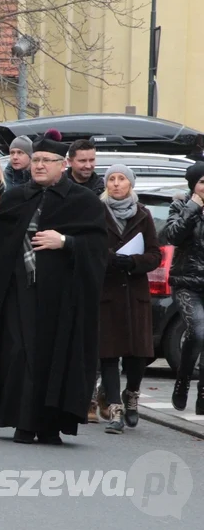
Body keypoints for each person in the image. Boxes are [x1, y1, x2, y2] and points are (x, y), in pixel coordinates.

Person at [0, 130, 107, 444]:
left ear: (61, 165)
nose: (38, 166)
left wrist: (65, 241)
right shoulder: (14, 198)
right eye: (35, 160)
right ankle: (22, 421)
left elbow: (97, 249)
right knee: (18, 354)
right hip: (17, 293)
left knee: (54, 358)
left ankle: (50, 425)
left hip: (61, 300)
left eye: (45, 161)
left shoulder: (84, 202)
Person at [95, 165, 161, 434]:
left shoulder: (143, 215)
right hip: (108, 292)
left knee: (137, 354)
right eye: (111, 179)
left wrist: (132, 261)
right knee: (109, 355)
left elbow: (155, 254)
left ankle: (131, 394)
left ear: (130, 184)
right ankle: (114, 409)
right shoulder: (97, 213)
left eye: (122, 179)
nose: (116, 183)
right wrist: (111, 259)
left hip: (135, 293)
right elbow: (91, 247)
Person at [165, 162, 204, 415]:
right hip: (187, 282)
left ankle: (203, 393)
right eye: (202, 182)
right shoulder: (180, 205)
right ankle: (182, 381)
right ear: (193, 185)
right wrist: (193, 208)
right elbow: (173, 235)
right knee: (199, 330)